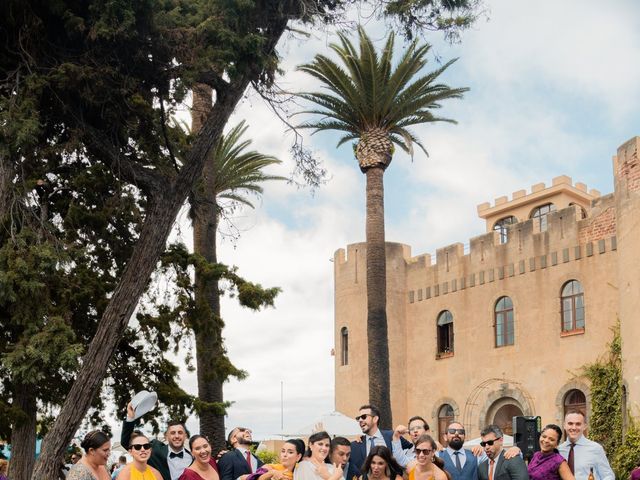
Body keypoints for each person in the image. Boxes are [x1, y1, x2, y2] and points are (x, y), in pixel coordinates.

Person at [121, 402, 192, 480]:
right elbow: (128, 443)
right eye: (172, 433)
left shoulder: (192, 458)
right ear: (166, 436)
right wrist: (131, 417)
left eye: (180, 432)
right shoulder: (154, 449)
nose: (177, 436)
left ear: (185, 436)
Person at [350, 405, 412, 472]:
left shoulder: (392, 435)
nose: (360, 420)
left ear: (375, 419)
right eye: (358, 418)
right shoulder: (356, 444)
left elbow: (412, 448)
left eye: (363, 417)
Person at [558, 411, 614, 480]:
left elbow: (608, 476)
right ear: (564, 425)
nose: (574, 427)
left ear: (584, 426)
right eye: (570, 423)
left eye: (578, 424)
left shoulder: (595, 448)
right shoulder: (559, 450)